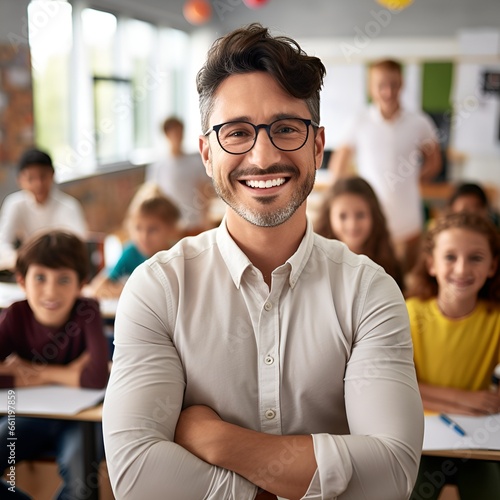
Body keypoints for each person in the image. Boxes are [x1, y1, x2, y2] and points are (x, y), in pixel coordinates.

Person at [103, 23, 423, 500]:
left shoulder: (370, 292)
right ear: (208, 154)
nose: (264, 155)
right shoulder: (158, 289)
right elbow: (136, 475)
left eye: (287, 129)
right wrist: (291, 485)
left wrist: (216, 440)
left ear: (317, 147)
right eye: (237, 133)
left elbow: (392, 474)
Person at [0, 230, 109, 499]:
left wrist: (33, 374)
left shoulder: (87, 311)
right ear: (22, 281)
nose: (51, 291)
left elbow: (96, 378)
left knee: (80, 477)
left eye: (63, 279)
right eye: (40, 278)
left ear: (81, 283)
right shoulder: (16, 315)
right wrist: (68, 374)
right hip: (28, 416)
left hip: (81, 422)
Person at [405, 211, 500, 499]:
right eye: (450, 257)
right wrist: (467, 400)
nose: (461, 269)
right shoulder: (409, 314)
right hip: (421, 440)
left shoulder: (495, 320)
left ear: (493, 266)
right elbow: (398, 390)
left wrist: (428, 395)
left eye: (476, 258)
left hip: (477, 443)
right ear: (431, 264)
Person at [329, 59, 442, 272]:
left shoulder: (420, 122)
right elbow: (338, 164)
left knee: (409, 276)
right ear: (371, 87)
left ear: (402, 84)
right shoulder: (359, 121)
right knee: (372, 276)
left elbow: (434, 162)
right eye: (381, 85)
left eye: (394, 84)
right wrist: (347, 196)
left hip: (409, 214)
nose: (388, 91)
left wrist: (410, 180)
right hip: (371, 216)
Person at [0, 148, 88, 271]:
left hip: (60, 266)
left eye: (43, 176)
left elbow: (79, 242)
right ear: (20, 180)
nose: (38, 184)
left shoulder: (69, 205)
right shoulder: (15, 204)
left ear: (52, 175)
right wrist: (21, 260)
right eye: (31, 178)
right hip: (27, 267)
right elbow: (2, 243)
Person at [89, 183, 181, 299]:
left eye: (152, 229)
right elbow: (98, 287)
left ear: (171, 229)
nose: (144, 236)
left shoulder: (177, 254)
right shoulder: (131, 252)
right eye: (138, 228)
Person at [315, 176, 403, 288]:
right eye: (343, 216)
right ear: (329, 217)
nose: (352, 224)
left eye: (360, 215)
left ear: (374, 216)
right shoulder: (316, 263)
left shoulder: (391, 266)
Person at [146, 116, 214, 234]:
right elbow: (153, 198)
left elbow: (204, 192)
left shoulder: (195, 162)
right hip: (171, 226)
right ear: (166, 134)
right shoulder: (158, 167)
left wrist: (206, 220)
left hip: (195, 224)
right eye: (173, 132)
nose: (177, 136)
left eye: (179, 132)